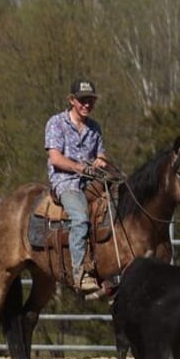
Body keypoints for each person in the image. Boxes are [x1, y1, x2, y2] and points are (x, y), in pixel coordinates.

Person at [44, 78, 108, 293]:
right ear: (72, 100)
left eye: (90, 100)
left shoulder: (95, 128)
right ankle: (79, 273)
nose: (86, 105)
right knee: (80, 219)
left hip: (91, 182)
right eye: (82, 100)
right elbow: (55, 158)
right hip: (66, 182)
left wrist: (101, 162)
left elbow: (101, 155)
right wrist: (80, 168)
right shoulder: (56, 123)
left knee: (113, 209)